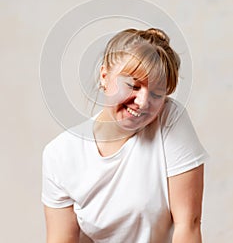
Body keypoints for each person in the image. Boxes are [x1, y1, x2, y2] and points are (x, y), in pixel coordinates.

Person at [42, 27, 208, 243]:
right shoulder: (60, 154)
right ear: (104, 76)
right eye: (133, 85)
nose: (143, 102)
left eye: (157, 94)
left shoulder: (169, 118)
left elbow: (188, 225)